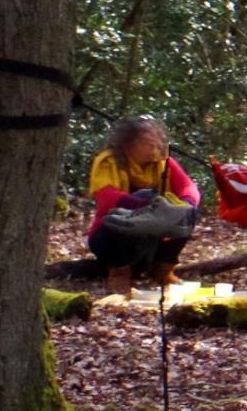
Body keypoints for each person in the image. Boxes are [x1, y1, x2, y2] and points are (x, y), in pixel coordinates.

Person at [86, 115, 201, 296]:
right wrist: (149, 205)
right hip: (110, 236)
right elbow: (107, 197)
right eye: (147, 142)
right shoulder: (108, 161)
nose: (154, 147)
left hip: (151, 237)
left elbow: (188, 187)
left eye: (156, 142)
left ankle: (163, 269)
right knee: (139, 203)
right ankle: (119, 274)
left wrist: (185, 204)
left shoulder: (163, 162)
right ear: (129, 143)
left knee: (186, 211)